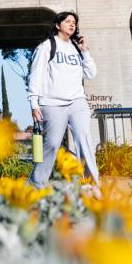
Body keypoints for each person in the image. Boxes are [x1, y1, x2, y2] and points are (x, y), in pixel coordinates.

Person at [27, 10, 100, 186]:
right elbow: (35, 75)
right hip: (52, 103)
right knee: (51, 144)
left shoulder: (76, 48)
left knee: (84, 141)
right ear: (58, 25)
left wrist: (85, 52)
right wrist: (34, 103)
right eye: (67, 21)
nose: (72, 24)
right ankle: (37, 184)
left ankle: (92, 185)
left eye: (74, 22)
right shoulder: (47, 46)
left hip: (77, 102)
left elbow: (91, 74)